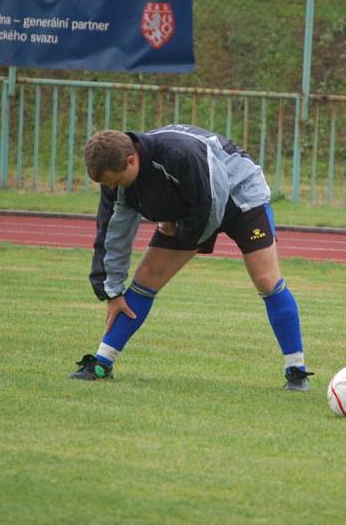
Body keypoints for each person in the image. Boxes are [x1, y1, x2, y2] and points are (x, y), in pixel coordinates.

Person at [69, 124, 313, 391]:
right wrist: (112, 292)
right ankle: (102, 362)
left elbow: (210, 205)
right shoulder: (115, 179)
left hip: (240, 196)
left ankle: (296, 370)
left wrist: (179, 230)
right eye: (107, 184)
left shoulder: (180, 154)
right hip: (194, 205)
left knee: (266, 279)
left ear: (131, 160)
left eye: (115, 182)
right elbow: (113, 234)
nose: (112, 188)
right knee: (147, 277)